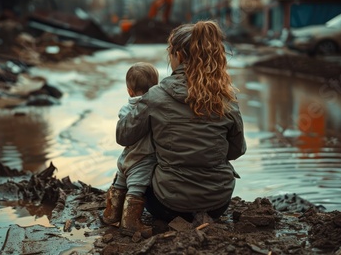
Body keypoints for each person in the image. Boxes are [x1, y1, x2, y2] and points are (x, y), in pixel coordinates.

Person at [116, 20, 246, 223]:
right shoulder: (227, 99)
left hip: (166, 205)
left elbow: (123, 137)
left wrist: (132, 107)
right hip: (217, 204)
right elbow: (237, 151)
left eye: (170, 53)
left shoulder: (155, 96)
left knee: (140, 157)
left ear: (179, 55)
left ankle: (116, 210)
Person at [103, 62, 159, 237]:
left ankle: (111, 215)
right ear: (157, 87)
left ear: (129, 91)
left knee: (119, 184)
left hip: (125, 158)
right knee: (136, 189)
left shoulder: (125, 110)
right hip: (142, 160)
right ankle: (130, 223)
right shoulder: (155, 109)